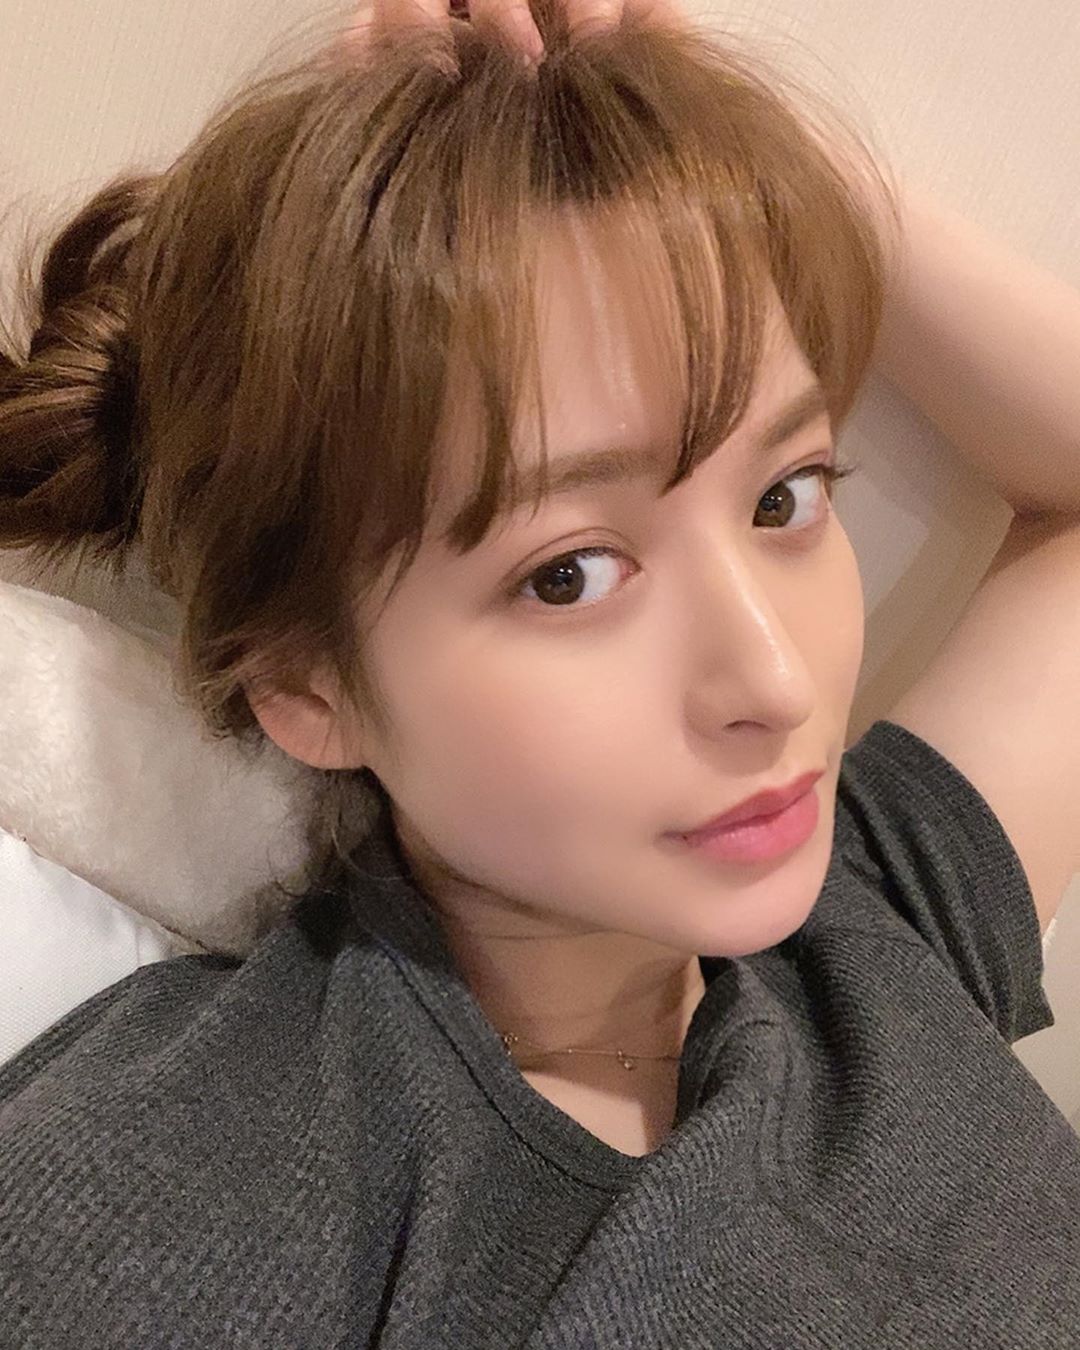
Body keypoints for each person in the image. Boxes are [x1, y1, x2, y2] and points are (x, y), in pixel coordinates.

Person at [1, 0, 1079, 1344]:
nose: (776, 681)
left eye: (786, 496)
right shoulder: (163, 1206)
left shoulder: (875, 910)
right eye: (569, 574)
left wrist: (704, 134)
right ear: (309, 685)